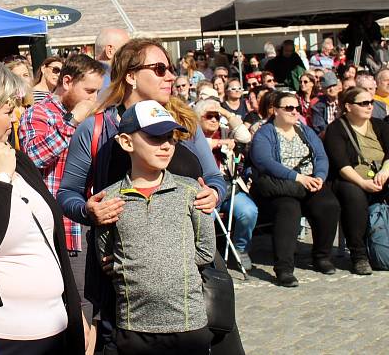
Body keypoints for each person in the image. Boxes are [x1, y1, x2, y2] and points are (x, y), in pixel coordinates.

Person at [57, 39, 240, 354]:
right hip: (127, 285)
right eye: (159, 69)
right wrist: (89, 211)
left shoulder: (183, 123)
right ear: (130, 75)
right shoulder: (97, 128)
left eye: (170, 69)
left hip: (190, 278)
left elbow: (213, 179)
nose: (170, 76)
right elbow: (66, 193)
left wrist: (214, 194)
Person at [0, 52, 84, 355]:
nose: (14, 118)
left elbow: (50, 242)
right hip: (6, 338)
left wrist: (75, 312)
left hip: (57, 328)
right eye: (7, 111)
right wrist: (0, 178)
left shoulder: (17, 159)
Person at [97, 100, 215, 355]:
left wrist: (172, 263)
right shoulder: (109, 199)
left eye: (170, 138)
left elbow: (205, 251)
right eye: (154, 137)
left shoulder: (191, 192)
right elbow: (105, 255)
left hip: (187, 323)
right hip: (134, 326)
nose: (165, 145)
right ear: (127, 142)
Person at [249, 91, 340, 287]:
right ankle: (284, 269)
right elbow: (264, 162)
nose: (294, 111)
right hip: (281, 186)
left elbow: (321, 156)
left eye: (297, 108)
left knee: (328, 204)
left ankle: (322, 256)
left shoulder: (304, 130)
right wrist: (298, 177)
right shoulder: (265, 133)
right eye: (288, 108)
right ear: (275, 110)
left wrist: (319, 177)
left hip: (309, 182)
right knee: (288, 210)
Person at [19, 54, 105, 254]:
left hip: (90, 221)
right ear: (67, 82)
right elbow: (34, 157)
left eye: (97, 92)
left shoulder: (93, 118)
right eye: (89, 91)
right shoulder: (38, 113)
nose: (93, 98)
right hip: (58, 228)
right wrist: (72, 121)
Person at [323, 87, 389, 276]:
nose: (369, 106)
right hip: (349, 179)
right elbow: (341, 164)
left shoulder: (380, 125)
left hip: (381, 175)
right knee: (354, 197)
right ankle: (359, 255)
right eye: (364, 103)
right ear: (349, 107)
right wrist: (363, 183)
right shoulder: (336, 129)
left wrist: (385, 171)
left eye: (370, 102)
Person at [194, 98, 256, 269]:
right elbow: (200, 144)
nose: (214, 120)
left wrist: (226, 113)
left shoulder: (224, 131)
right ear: (199, 118)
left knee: (249, 211)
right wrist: (219, 143)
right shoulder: (194, 134)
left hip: (230, 186)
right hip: (205, 189)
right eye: (209, 116)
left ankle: (241, 249)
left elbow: (245, 136)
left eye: (217, 116)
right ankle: (207, 255)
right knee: (205, 219)